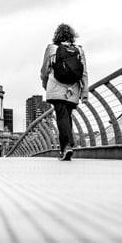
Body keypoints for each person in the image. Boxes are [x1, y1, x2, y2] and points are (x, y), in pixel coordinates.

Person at [40, 23, 88, 161]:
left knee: (61, 117)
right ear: (72, 36)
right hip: (73, 89)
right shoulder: (79, 50)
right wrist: (84, 93)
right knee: (66, 117)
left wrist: (45, 84)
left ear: (57, 35)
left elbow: (44, 71)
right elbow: (84, 73)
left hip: (56, 87)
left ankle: (66, 147)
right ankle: (67, 147)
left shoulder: (51, 49)